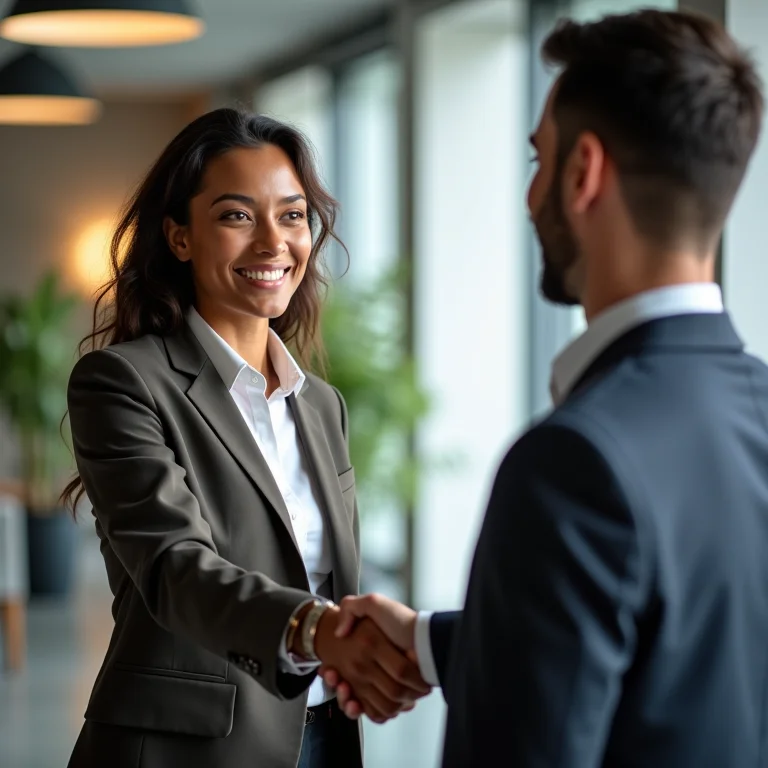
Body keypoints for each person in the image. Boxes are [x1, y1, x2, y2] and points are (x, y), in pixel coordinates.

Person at [321, 9, 768, 767]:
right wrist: (432, 642)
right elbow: (699, 649)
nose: (530, 196)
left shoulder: (573, 462)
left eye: (539, 159)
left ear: (583, 172)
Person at [62, 108, 428, 768]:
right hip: (188, 749)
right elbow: (176, 568)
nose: (272, 242)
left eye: (292, 215)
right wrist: (316, 629)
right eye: (237, 215)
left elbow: (322, 573)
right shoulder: (122, 382)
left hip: (325, 734)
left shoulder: (322, 406)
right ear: (179, 237)